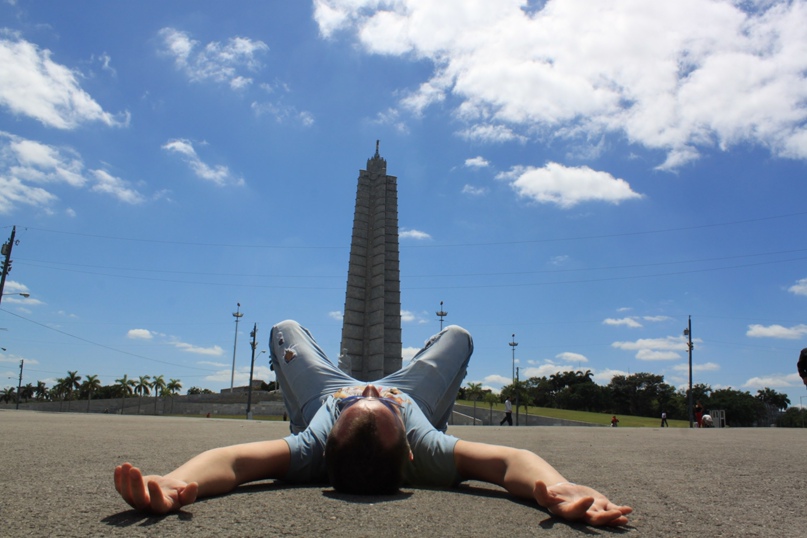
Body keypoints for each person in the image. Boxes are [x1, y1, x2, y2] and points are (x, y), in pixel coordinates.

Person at [114, 320, 632, 527]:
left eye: (362, 404)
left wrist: (179, 482)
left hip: (322, 393)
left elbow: (231, 462)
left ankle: (318, 396)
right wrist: (558, 489)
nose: (368, 390)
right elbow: (509, 463)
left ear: (321, 444)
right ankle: (420, 394)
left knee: (282, 330)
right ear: (408, 449)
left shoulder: (311, 446)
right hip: (413, 394)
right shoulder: (425, 448)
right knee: (459, 334)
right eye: (376, 408)